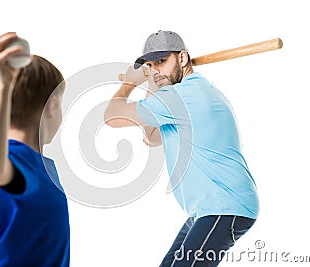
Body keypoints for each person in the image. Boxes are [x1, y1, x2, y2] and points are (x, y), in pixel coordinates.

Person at [104, 30, 259, 266]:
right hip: (206, 209)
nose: (155, 69)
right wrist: (153, 82)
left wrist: (128, 85)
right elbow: (152, 136)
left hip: (224, 206)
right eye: (149, 65)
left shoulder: (184, 97)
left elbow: (111, 117)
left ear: (183, 58)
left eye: (161, 61)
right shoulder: (187, 94)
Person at [0, 32, 70, 267]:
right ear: (51, 106)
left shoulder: (38, 166)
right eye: (61, 103)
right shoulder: (18, 161)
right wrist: (3, 89)